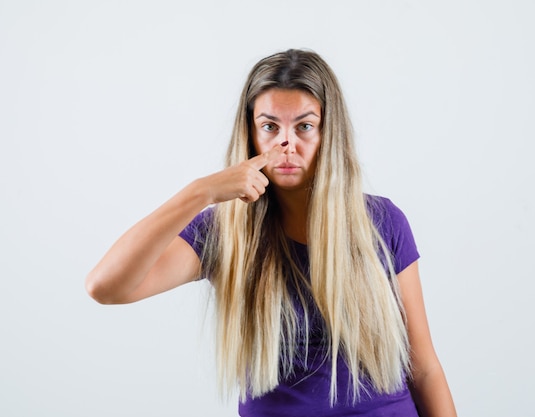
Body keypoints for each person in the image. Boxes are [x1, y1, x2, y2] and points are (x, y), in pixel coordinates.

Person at [85, 49, 457, 417]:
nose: (286, 144)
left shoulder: (382, 222)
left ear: (330, 132)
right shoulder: (223, 232)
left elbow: (422, 368)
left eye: (304, 126)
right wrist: (200, 192)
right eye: (270, 126)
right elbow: (106, 286)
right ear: (250, 132)